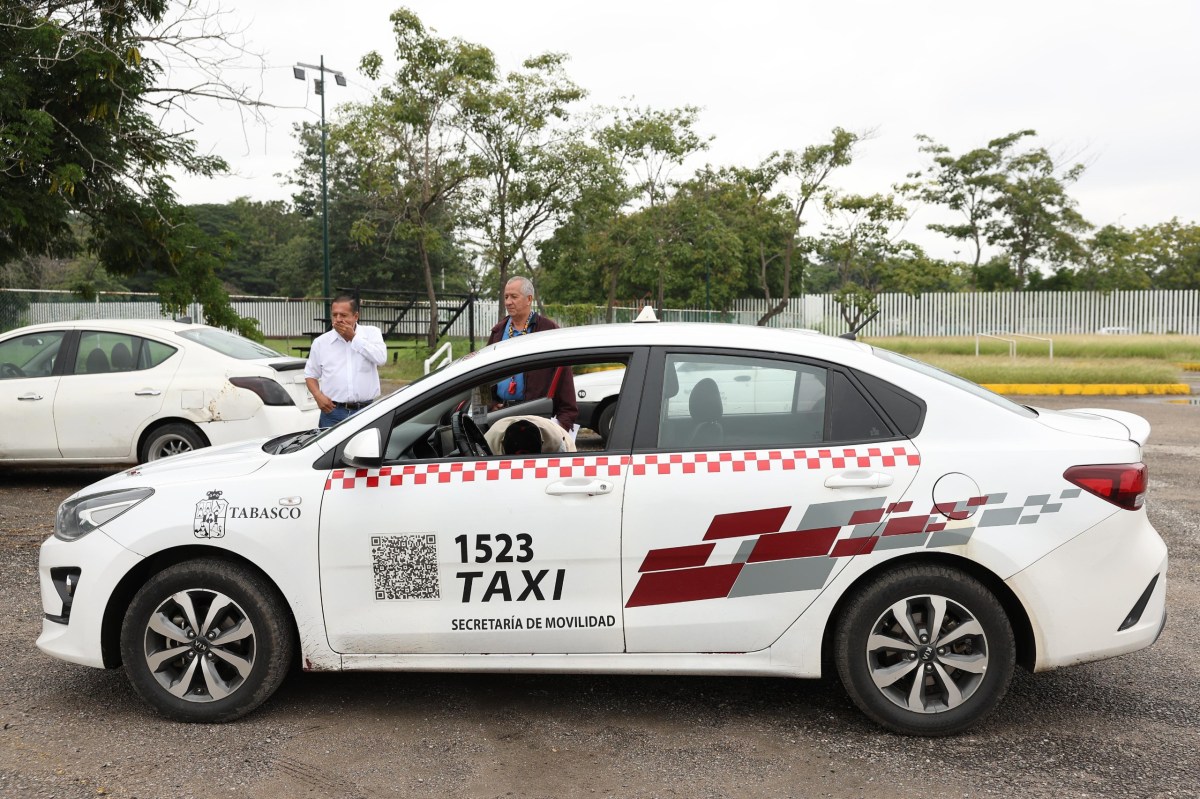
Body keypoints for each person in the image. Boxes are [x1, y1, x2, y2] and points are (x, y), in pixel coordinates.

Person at [487, 276, 578, 432]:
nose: (508, 302)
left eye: (513, 297)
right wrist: (488, 406)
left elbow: (564, 378)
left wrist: (563, 423)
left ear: (529, 299)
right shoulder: (498, 332)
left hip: (537, 419)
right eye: (506, 297)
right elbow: (483, 377)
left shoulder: (548, 331)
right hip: (500, 417)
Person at [304, 295, 387, 428]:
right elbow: (310, 374)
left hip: (366, 411)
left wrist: (354, 338)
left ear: (355, 316)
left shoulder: (371, 333)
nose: (338, 319)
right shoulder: (321, 342)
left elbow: (381, 358)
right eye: (334, 315)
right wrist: (318, 396)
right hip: (333, 412)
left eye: (343, 315)